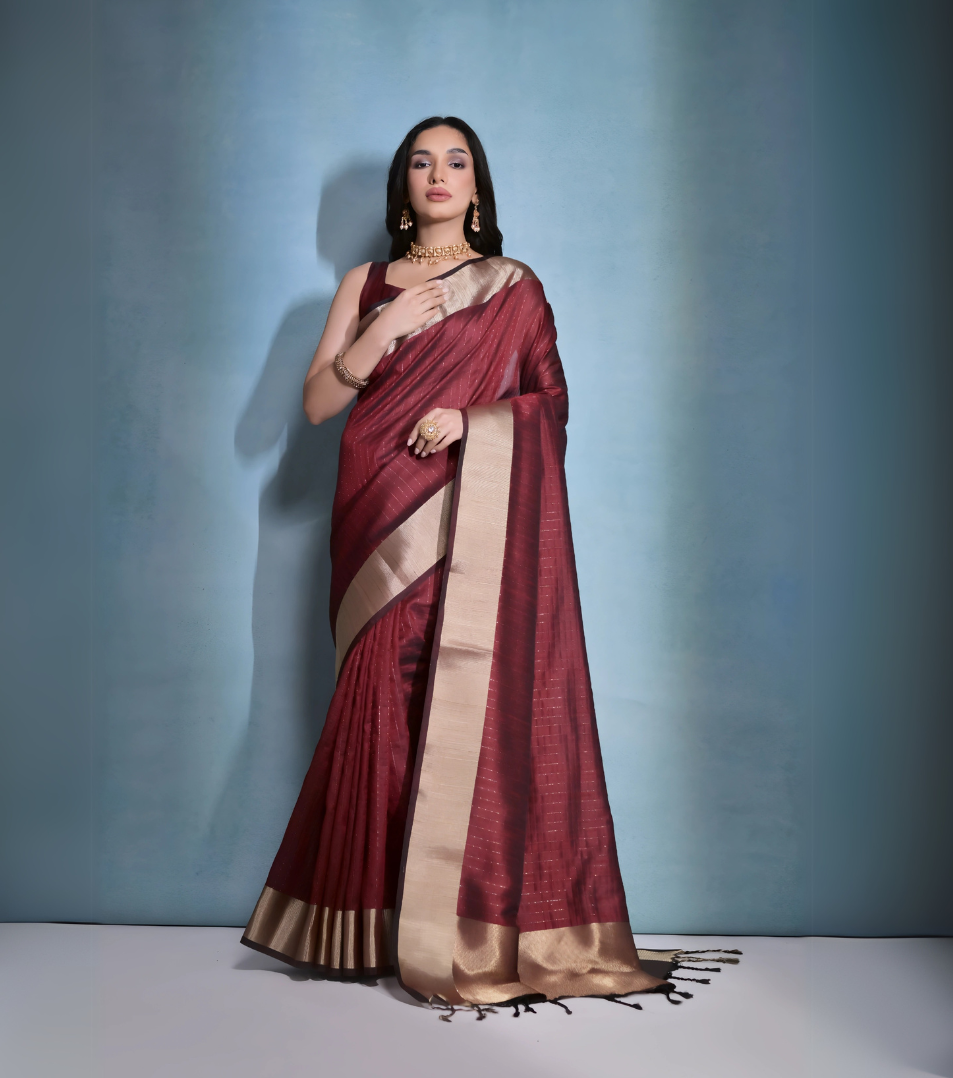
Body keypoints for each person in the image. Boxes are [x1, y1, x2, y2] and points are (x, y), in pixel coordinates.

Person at [241, 116, 664, 1008]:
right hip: (375, 502)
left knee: (457, 696)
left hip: (465, 507)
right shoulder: (365, 282)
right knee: (377, 698)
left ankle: (456, 919)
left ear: (478, 187)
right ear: (404, 189)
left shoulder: (513, 287)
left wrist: (475, 423)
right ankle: (364, 921)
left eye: (456, 161)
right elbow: (318, 403)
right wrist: (382, 328)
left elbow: (548, 403)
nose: (439, 175)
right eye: (422, 163)